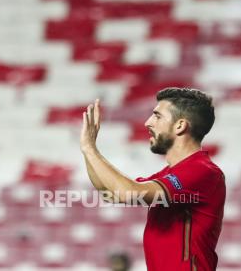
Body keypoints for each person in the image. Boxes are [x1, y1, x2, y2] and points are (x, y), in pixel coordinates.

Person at [80, 88, 225, 271]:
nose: (148, 123)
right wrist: (87, 150)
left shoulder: (202, 171)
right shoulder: (171, 174)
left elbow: (126, 193)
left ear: (180, 126)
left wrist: (90, 149)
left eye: (157, 116)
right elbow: (112, 194)